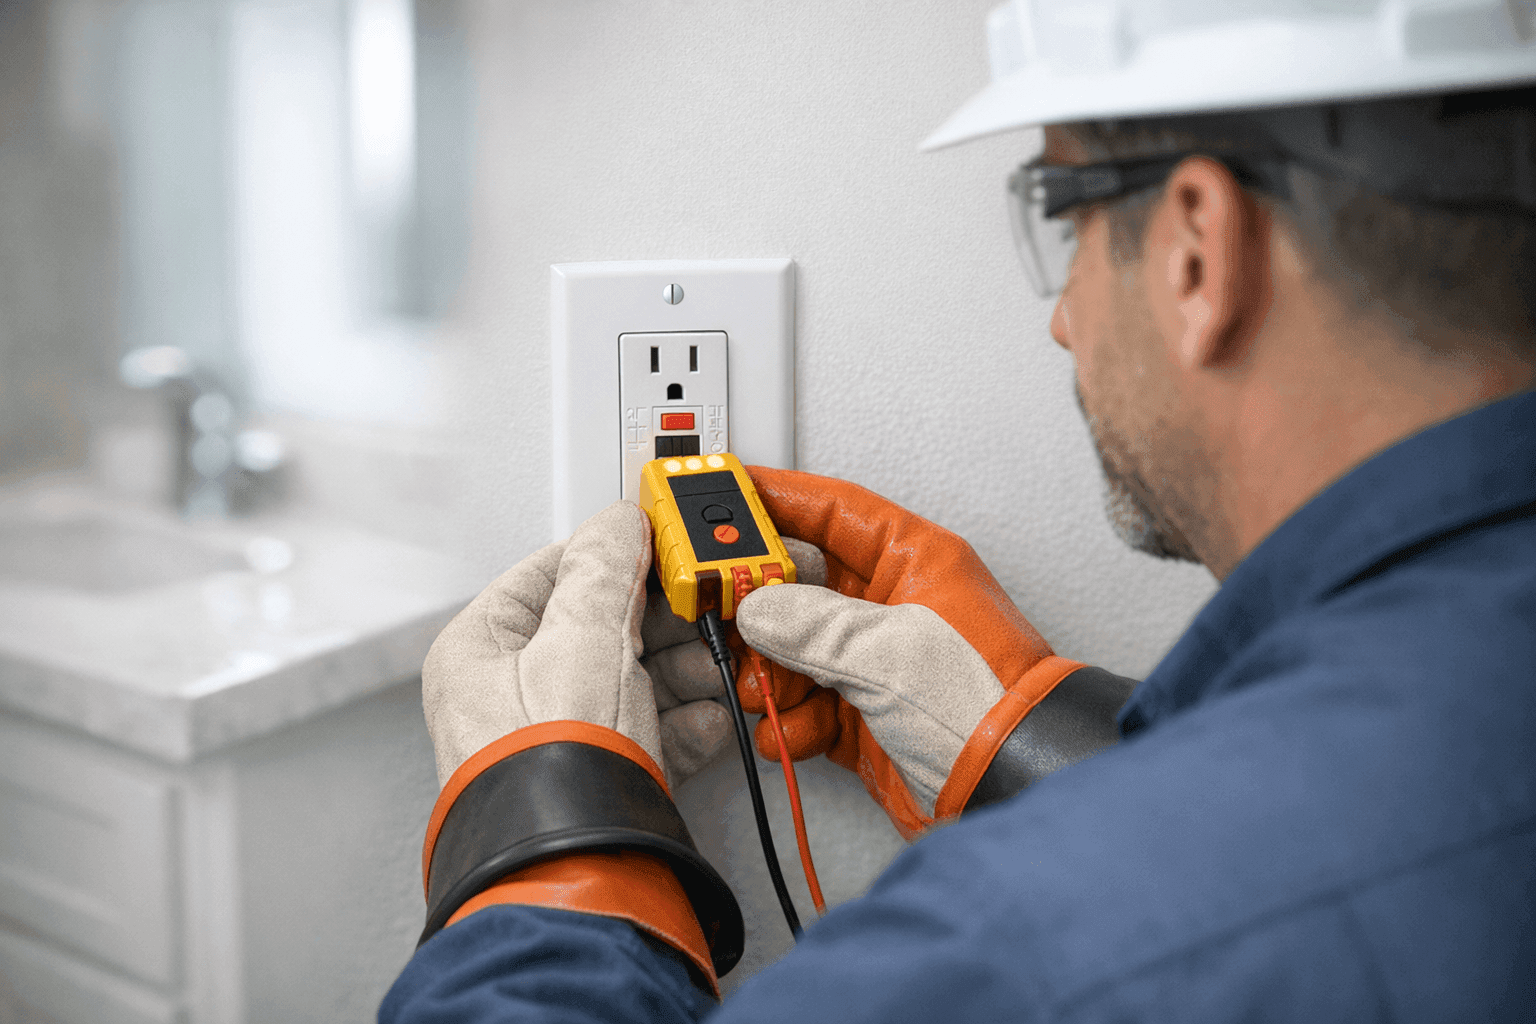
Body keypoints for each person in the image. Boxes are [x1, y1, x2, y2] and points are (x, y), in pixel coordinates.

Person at [381, 1, 1536, 1019]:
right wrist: (1038, 747)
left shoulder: (1005, 952)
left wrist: (544, 854)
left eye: (1064, 221)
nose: (1063, 320)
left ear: (1197, 249)